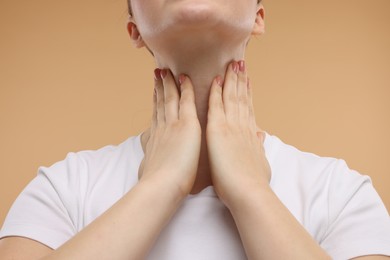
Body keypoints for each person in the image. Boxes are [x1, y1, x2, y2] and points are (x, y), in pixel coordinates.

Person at [0, 0, 390, 259]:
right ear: (134, 29)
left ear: (258, 16)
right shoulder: (61, 189)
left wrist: (250, 192)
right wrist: (161, 184)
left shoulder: (342, 194)